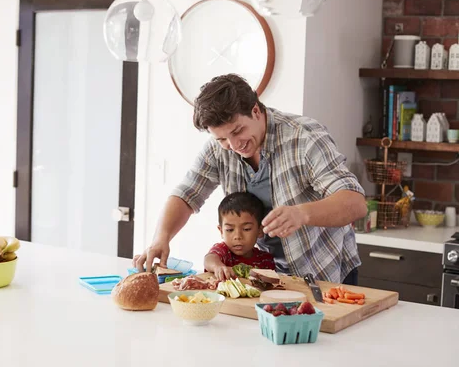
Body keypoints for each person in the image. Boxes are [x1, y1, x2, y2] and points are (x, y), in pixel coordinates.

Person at [133, 73, 367, 285]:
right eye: (222, 139)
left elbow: (355, 203)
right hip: (271, 273)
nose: (234, 146)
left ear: (256, 110)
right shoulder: (220, 149)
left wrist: (301, 213)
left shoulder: (304, 137)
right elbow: (187, 194)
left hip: (323, 269)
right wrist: (160, 238)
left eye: (237, 131)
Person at [205, 192, 275, 281]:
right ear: (221, 231)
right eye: (230, 230)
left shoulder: (266, 260)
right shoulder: (223, 251)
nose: (237, 236)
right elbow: (209, 258)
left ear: (260, 230)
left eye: (246, 229)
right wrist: (217, 266)